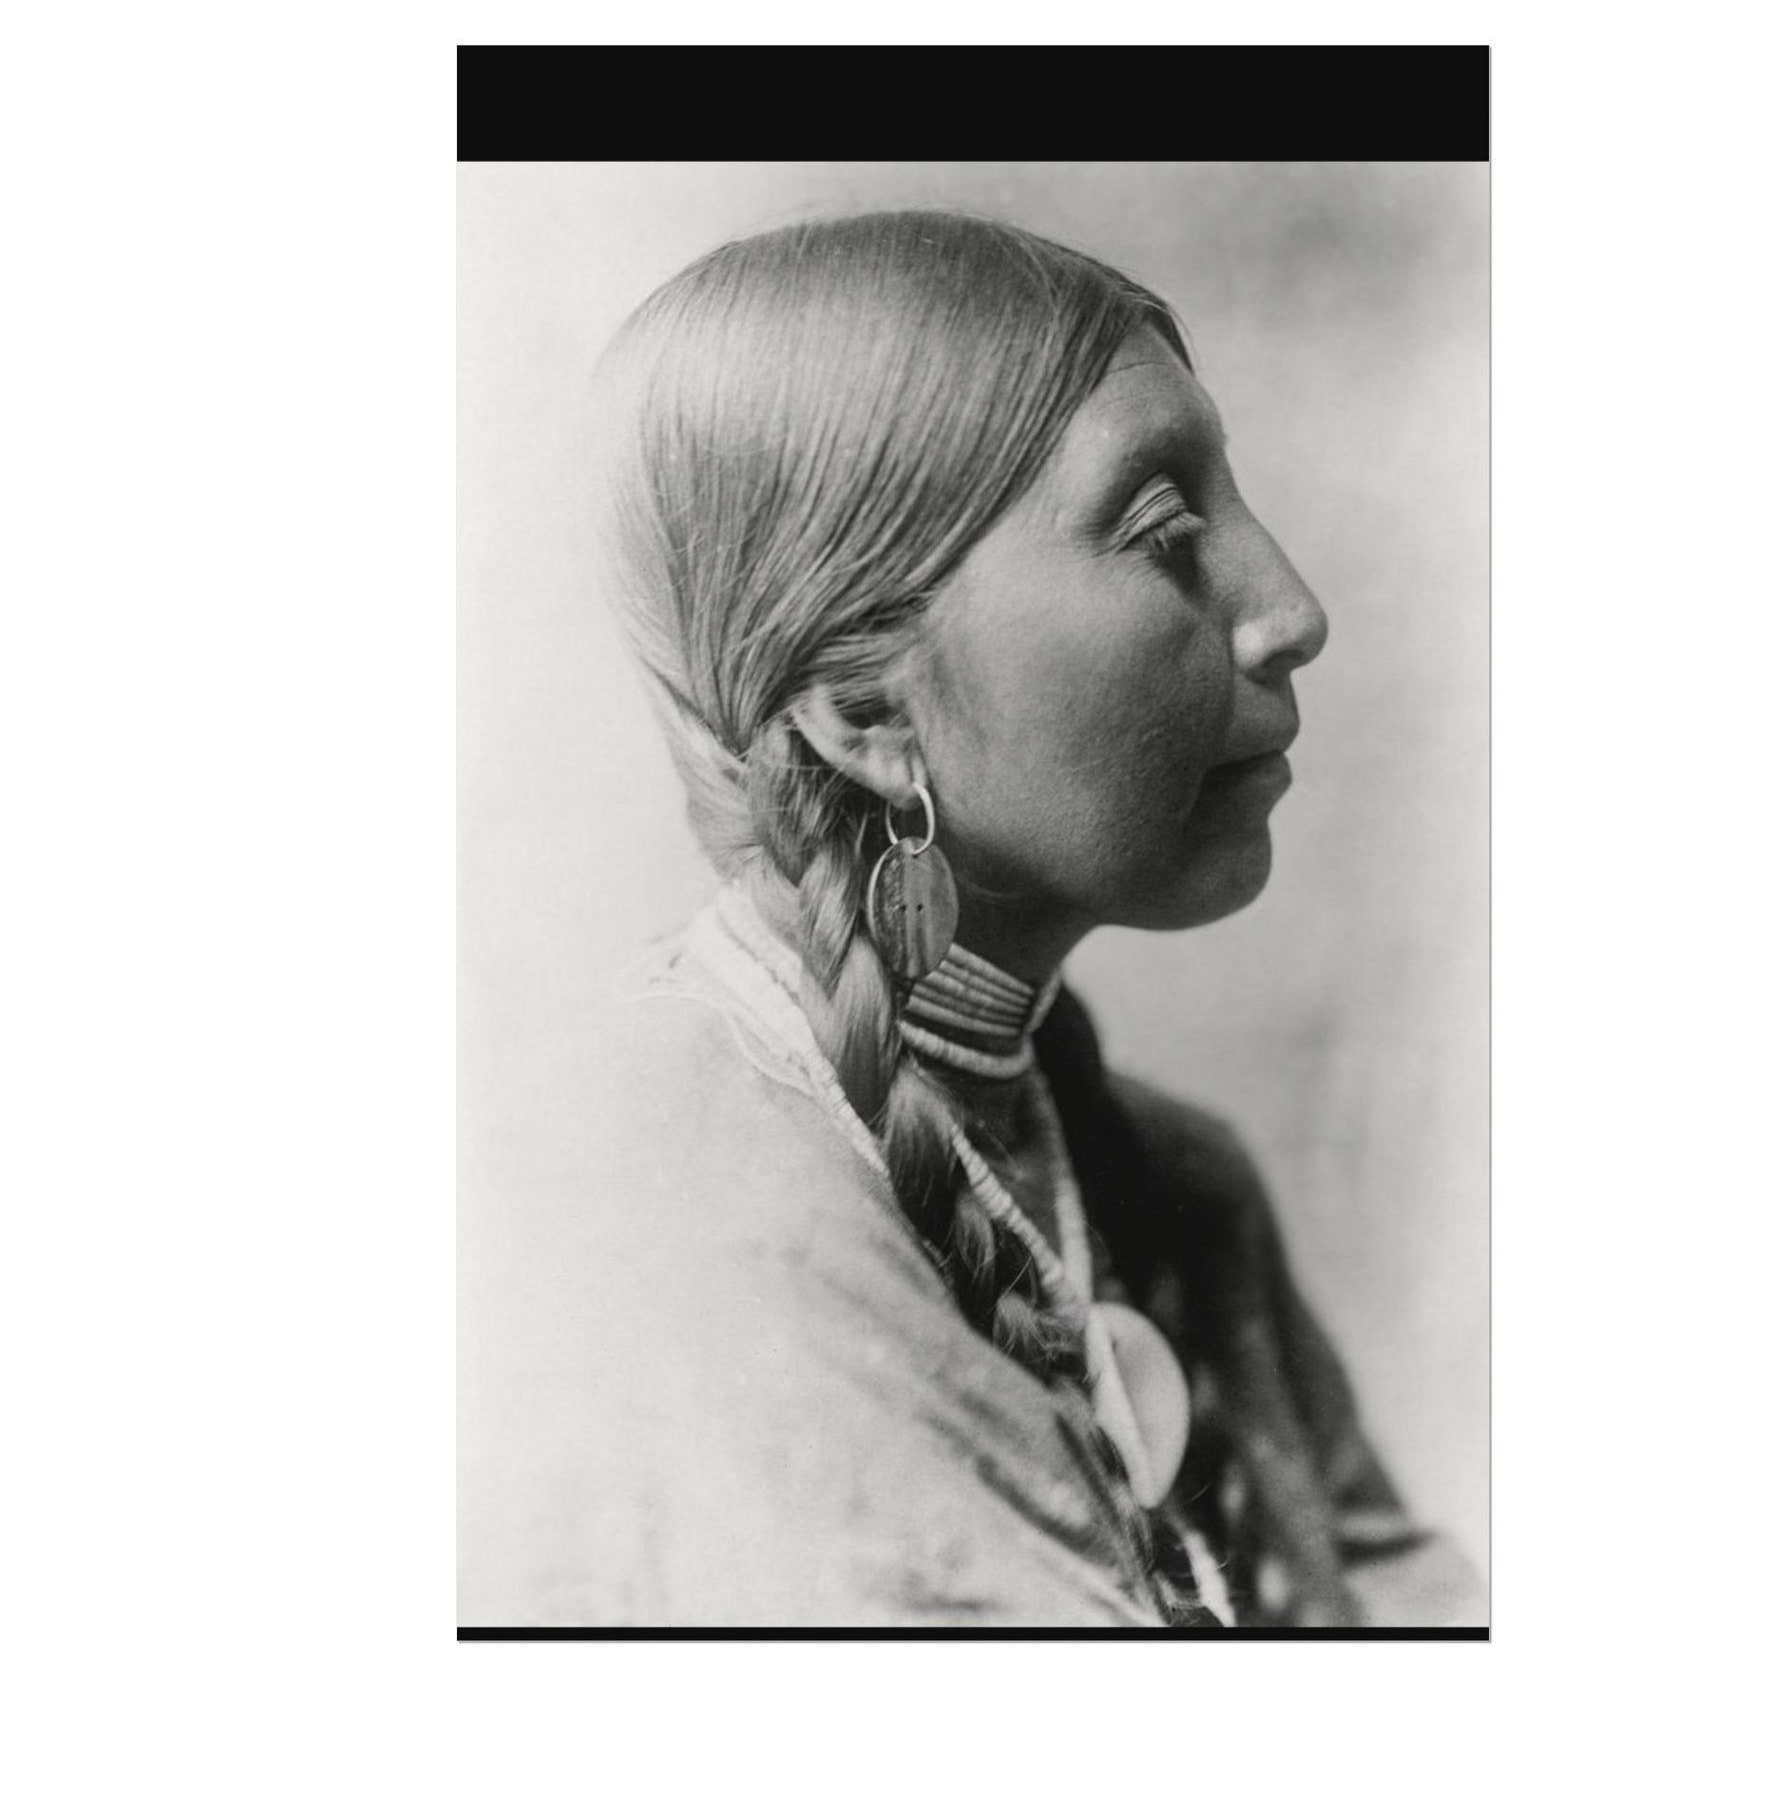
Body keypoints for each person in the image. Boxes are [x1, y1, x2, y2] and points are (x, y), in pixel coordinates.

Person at [460, 210, 1483, 1629]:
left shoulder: (1176, 1192)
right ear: (864, 712)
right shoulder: (651, 1207)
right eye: (1165, 532)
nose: (1290, 611)